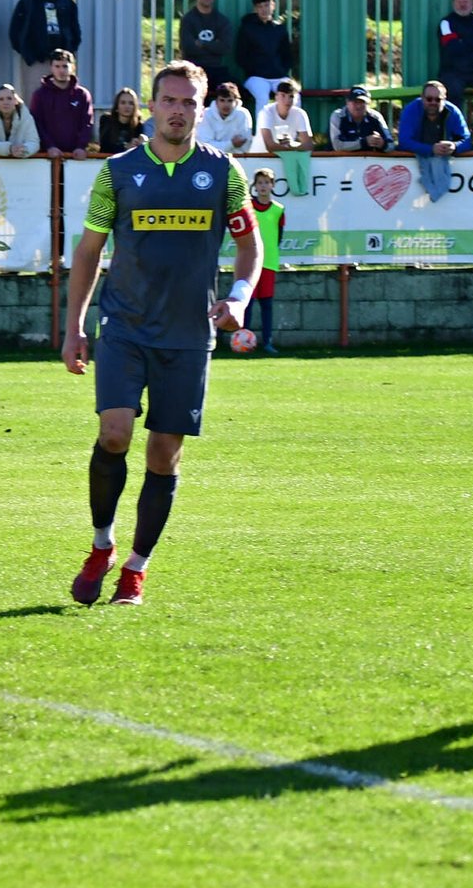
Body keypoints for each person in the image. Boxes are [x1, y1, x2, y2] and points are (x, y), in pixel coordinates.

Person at [63, 59, 261, 606]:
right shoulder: (118, 172)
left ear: (203, 109)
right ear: (152, 106)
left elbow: (250, 245)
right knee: (114, 435)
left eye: (189, 102)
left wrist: (239, 297)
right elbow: (88, 252)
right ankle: (101, 544)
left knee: (163, 454)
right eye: (169, 101)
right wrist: (74, 327)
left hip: (188, 334)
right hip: (124, 327)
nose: (178, 111)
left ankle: (136, 568)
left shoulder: (224, 173)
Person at [9, 0, 81, 100]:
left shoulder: (65, 2)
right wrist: (28, 53)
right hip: (37, 62)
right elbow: (15, 32)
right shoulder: (27, 3)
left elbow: (75, 29)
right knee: (35, 98)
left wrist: (70, 51)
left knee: (64, 98)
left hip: (61, 61)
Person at [236, 0, 293, 118]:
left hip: (279, 76)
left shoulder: (279, 29)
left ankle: (292, 130)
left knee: (293, 96)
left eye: (266, 5)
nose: (264, 9)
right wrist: (254, 69)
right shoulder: (247, 29)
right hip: (256, 77)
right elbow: (240, 56)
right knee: (262, 98)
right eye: (260, 6)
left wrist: (282, 70)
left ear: (273, 6)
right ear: (255, 9)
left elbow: (287, 54)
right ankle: (262, 131)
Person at [29, 48, 94, 159]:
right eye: (57, 66)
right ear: (51, 68)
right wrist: (49, 146)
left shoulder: (82, 94)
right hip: (47, 156)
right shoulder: (40, 95)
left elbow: (87, 123)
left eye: (65, 66)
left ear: (73, 67)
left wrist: (81, 146)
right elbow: (37, 123)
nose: (61, 70)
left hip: (75, 155)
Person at [248, 167, 284, 354]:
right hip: (249, 262)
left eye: (266, 183)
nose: (263, 186)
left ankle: (267, 342)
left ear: (273, 185)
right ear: (254, 186)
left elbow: (279, 236)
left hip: (269, 262)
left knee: (266, 304)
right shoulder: (248, 207)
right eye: (260, 183)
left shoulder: (278, 209)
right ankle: (243, 340)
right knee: (247, 303)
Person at [178, 0, 235, 93]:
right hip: (193, 70)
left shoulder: (222, 20)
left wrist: (201, 43)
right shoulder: (188, 20)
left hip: (216, 70)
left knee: (238, 92)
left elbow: (226, 47)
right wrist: (214, 45)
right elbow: (187, 47)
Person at [397, 80, 471, 156]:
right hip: (415, 158)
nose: (433, 102)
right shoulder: (410, 110)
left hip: (446, 158)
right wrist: (431, 149)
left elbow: (467, 141)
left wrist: (454, 146)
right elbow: (404, 142)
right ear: (422, 97)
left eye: (438, 99)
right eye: (429, 99)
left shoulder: (453, 112)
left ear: (444, 99)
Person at [0, 83, 38, 158]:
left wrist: (24, 150)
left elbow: (34, 142)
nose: (5, 102)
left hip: (20, 161)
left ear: (16, 101)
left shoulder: (26, 117)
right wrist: (9, 149)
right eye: (1, 99)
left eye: (9, 98)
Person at [256, 78, 314, 153]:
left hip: (287, 157)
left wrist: (292, 145)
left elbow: (308, 145)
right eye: (283, 95)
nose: (287, 100)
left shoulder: (300, 113)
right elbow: (269, 146)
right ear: (276, 96)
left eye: (291, 96)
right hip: (259, 157)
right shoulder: (266, 112)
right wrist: (292, 148)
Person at [199, 81, 255, 156]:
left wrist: (219, 146)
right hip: (210, 158)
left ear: (236, 101)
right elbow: (205, 146)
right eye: (222, 100)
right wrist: (231, 144)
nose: (226, 105)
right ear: (216, 101)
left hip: (238, 158)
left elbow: (245, 148)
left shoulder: (243, 114)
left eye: (230, 101)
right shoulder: (206, 114)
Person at [328, 86, 390, 152]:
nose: (359, 106)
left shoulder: (375, 117)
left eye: (362, 102)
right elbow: (337, 146)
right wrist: (364, 142)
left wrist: (382, 144)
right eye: (355, 102)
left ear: (368, 104)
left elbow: (391, 145)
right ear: (347, 102)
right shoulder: (338, 116)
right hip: (339, 158)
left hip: (368, 158)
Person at [99, 87, 147, 155]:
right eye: (123, 103)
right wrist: (126, 147)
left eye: (131, 103)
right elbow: (104, 147)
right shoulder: (106, 120)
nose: (127, 106)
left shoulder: (138, 125)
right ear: (117, 106)